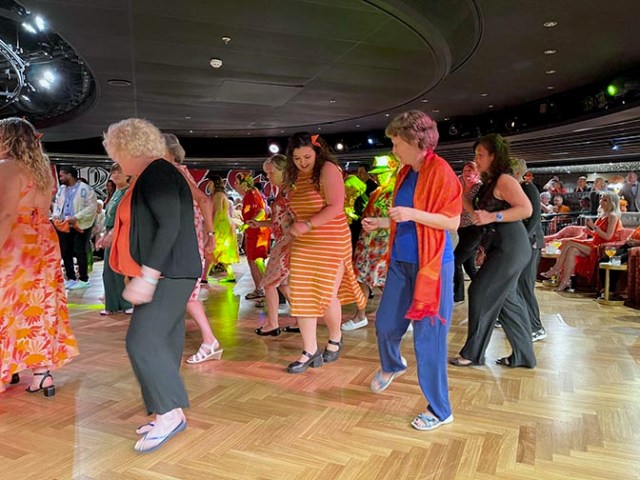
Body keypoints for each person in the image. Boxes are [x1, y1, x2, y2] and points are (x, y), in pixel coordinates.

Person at [104, 118, 202, 453]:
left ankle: (169, 413)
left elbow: (170, 224)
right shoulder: (153, 173)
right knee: (163, 340)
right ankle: (165, 411)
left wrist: (147, 275)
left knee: (142, 341)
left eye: (115, 153)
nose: (116, 161)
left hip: (169, 272)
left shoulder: (157, 172)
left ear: (125, 148)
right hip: (171, 271)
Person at [363, 111, 461, 431]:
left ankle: (441, 409)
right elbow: (404, 216)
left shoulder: (441, 172)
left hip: (431, 265)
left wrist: (411, 214)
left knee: (429, 340)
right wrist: (383, 222)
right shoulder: (406, 171)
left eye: (397, 143)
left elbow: (452, 221)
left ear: (416, 141)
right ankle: (393, 364)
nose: (393, 150)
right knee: (385, 324)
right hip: (401, 262)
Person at [0, 117, 79, 395]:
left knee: (6, 306)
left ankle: (6, 370)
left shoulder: (7, 167)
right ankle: (42, 374)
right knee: (39, 307)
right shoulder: (43, 171)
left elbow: (6, 214)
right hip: (43, 242)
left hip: (16, 243)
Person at [449, 133, 536, 369]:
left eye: (480, 155)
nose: (476, 159)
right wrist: (464, 200)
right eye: (475, 154)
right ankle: (524, 356)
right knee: (507, 301)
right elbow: (478, 214)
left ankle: (473, 353)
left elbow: (526, 209)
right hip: (502, 246)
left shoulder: (505, 180)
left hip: (511, 246)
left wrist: (492, 216)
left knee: (479, 291)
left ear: (494, 156)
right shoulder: (489, 182)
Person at [284, 132, 366, 374]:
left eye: (306, 157)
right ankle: (309, 350)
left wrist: (307, 224)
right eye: (297, 158)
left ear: (317, 153)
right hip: (304, 242)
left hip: (331, 241)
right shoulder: (296, 176)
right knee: (301, 294)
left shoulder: (328, 169)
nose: (302, 162)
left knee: (326, 294)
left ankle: (335, 337)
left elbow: (336, 206)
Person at [163, 134, 222, 364]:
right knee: (182, 293)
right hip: (183, 241)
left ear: (170, 153)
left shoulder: (175, 172)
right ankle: (201, 340)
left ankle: (209, 340)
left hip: (185, 242)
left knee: (186, 293)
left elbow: (204, 201)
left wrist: (210, 235)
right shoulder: (175, 172)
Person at [345, 154, 399, 331]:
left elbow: (400, 221)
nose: (378, 176)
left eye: (383, 172)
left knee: (383, 282)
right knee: (361, 279)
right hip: (367, 244)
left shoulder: (397, 193)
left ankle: (398, 317)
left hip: (383, 246)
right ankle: (360, 316)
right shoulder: (377, 192)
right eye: (376, 173)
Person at [498, 158, 546, 342]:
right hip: (521, 243)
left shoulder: (528, 188)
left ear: (517, 172)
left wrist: (524, 239)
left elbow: (534, 217)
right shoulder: (514, 189)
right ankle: (518, 322)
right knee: (516, 284)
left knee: (525, 285)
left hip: (530, 242)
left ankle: (536, 327)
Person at [542, 191, 623, 290]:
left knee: (569, 243)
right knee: (572, 250)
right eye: (601, 199)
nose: (601, 201)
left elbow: (608, 237)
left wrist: (594, 227)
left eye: (605, 200)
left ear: (612, 202)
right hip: (594, 242)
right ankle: (564, 282)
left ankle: (555, 269)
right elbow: (598, 234)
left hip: (601, 247)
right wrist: (589, 231)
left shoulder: (613, 216)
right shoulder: (603, 215)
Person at [251, 154, 295, 335]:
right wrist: (260, 224)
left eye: (271, 173)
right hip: (285, 241)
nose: (268, 177)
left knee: (269, 283)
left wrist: (291, 241)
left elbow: (297, 219)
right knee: (283, 284)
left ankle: (272, 323)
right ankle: (300, 319)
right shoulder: (283, 191)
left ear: (283, 171)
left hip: (287, 243)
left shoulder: (290, 192)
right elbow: (280, 220)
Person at [52, 165, 98, 289]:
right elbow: (57, 204)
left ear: (69, 175)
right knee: (65, 251)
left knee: (79, 250)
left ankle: (83, 278)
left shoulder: (85, 189)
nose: (60, 178)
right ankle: (71, 277)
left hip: (80, 225)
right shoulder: (62, 189)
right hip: (64, 225)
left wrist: (77, 217)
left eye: (62, 176)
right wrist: (56, 215)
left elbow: (92, 207)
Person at [95, 163, 133, 315]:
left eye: (120, 172)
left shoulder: (128, 192)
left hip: (122, 232)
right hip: (111, 231)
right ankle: (111, 305)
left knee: (119, 269)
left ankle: (126, 303)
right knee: (109, 270)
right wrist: (104, 235)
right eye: (114, 172)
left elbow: (125, 217)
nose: (116, 175)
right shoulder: (116, 192)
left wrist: (111, 234)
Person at [236, 172, 271, 300]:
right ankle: (260, 288)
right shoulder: (249, 195)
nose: (235, 185)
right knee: (253, 261)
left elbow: (261, 211)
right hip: (253, 233)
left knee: (257, 261)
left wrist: (250, 224)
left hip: (258, 233)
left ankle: (266, 288)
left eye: (237, 183)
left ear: (244, 183)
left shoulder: (252, 194)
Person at [453, 161, 482, 304]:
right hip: (462, 228)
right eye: (465, 170)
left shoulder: (479, 187)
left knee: (455, 260)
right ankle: (484, 291)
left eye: (470, 170)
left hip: (474, 229)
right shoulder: (459, 183)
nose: (467, 173)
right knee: (469, 266)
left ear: (476, 172)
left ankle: (458, 296)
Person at [207, 176, 239, 282]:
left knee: (213, 250)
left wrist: (211, 230)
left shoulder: (218, 195)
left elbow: (218, 212)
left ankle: (204, 276)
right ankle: (230, 275)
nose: (208, 186)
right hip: (225, 225)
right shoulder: (220, 195)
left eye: (209, 183)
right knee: (220, 252)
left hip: (221, 226)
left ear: (213, 183)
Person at [597, 225, 640, 299]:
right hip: (626, 246)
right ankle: (605, 288)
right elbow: (632, 236)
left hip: (634, 250)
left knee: (614, 261)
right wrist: (629, 240)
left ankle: (611, 291)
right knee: (603, 260)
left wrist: (637, 242)